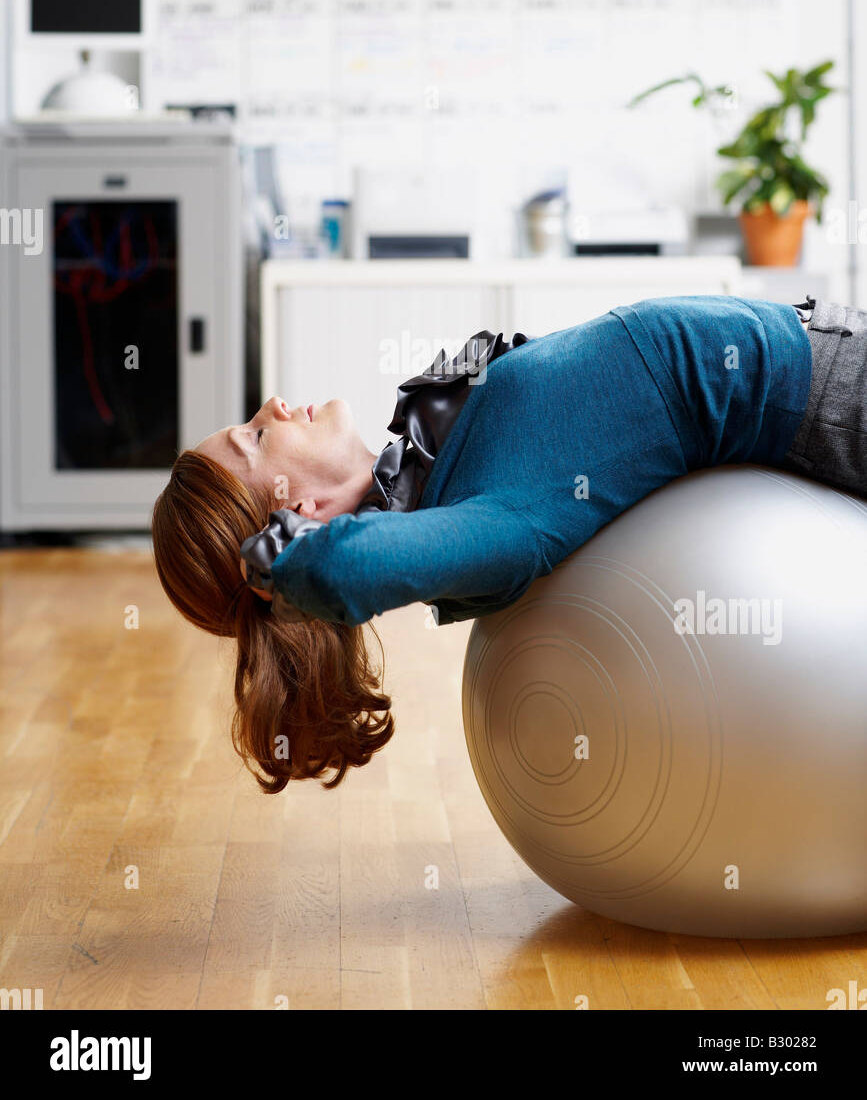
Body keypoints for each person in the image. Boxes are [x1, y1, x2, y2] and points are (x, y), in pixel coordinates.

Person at [151, 292, 864, 793]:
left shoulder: (439, 471)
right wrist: (272, 566)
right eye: (253, 436)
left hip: (818, 349)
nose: (273, 405)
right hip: (824, 393)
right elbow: (347, 567)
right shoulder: (484, 520)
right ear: (295, 513)